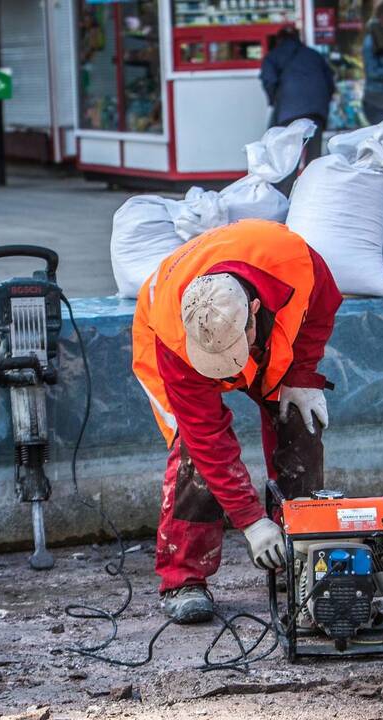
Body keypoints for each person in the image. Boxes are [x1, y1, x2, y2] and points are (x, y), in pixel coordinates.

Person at [131, 219, 342, 623]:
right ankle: (183, 578)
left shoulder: (296, 262)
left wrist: (301, 375)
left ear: (254, 313)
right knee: (196, 454)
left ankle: (297, 557)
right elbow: (209, 438)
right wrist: (251, 522)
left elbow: (321, 308)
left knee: (300, 422)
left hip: (269, 341)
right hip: (175, 348)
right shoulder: (176, 338)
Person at [260, 25, 336, 192]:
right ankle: (313, 193)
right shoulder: (314, 55)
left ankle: (287, 196)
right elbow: (330, 82)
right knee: (313, 157)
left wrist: (276, 101)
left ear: (279, 40)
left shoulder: (273, 56)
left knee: (289, 157)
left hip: (289, 110)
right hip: (316, 111)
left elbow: (269, 81)